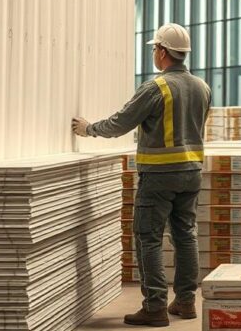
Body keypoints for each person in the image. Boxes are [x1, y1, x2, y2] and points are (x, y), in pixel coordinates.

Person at [72, 23, 210, 327]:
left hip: (160, 175)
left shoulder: (155, 87)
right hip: (192, 172)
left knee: (148, 238)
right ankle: (186, 303)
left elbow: (121, 123)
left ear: (162, 51)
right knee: (186, 235)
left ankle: (155, 307)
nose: (153, 53)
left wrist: (89, 129)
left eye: (154, 48)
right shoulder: (202, 86)